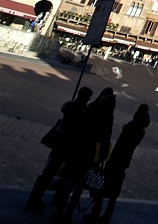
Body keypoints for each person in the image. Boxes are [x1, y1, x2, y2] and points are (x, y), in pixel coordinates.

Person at [25, 87, 92, 213]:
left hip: (59, 145)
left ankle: (36, 199)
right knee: (51, 174)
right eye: (88, 97)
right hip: (65, 147)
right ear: (86, 97)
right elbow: (75, 130)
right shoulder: (79, 110)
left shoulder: (72, 106)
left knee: (50, 173)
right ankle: (35, 201)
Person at [53, 87, 115, 222]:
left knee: (69, 180)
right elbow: (105, 139)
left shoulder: (92, 110)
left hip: (78, 151)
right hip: (90, 156)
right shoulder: (107, 118)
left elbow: (80, 129)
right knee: (79, 186)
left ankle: (59, 209)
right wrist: (102, 159)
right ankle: (68, 212)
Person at [84, 104, 150, 224]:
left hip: (116, 159)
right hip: (124, 161)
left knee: (101, 186)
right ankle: (106, 216)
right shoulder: (141, 131)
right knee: (114, 191)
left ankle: (95, 212)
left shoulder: (131, 125)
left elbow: (121, 143)